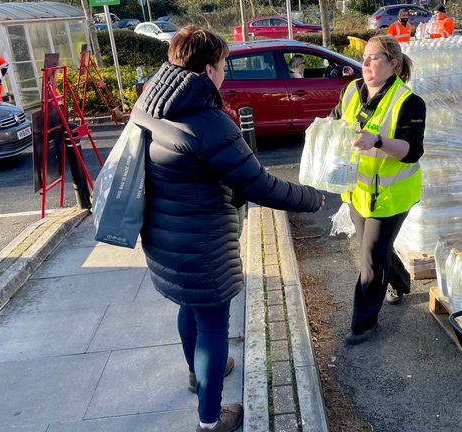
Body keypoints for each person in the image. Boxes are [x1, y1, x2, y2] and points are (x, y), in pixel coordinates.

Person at [131, 25, 324, 432]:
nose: (224, 72)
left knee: (191, 307)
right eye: (222, 64)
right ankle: (210, 418)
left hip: (165, 235)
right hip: (201, 243)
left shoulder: (152, 101)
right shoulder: (208, 122)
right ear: (207, 69)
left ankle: (196, 374)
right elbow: (258, 184)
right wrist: (313, 198)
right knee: (214, 325)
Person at [329, 35, 426, 345]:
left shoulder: (409, 102)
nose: (365, 62)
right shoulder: (351, 91)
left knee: (371, 255)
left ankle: (363, 324)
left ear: (393, 65)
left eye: (374, 58)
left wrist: (379, 141)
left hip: (390, 196)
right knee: (377, 248)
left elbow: (412, 151)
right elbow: (335, 122)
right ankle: (401, 282)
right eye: (365, 57)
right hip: (358, 192)